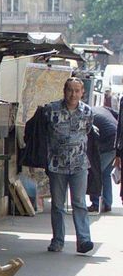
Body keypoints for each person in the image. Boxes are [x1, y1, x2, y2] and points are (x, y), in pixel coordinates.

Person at [41, 77, 96, 254]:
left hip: (79, 165)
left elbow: (87, 132)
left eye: (77, 91)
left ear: (82, 93)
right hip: (57, 165)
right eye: (70, 90)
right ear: (64, 91)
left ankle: (84, 240)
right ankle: (57, 241)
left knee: (79, 203)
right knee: (58, 205)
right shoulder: (51, 110)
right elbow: (43, 133)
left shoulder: (87, 112)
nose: (73, 94)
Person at [91, 98, 119, 212]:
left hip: (109, 144)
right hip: (117, 144)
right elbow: (118, 116)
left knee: (95, 172)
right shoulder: (103, 109)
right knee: (105, 174)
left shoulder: (87, 114)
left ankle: (95, 203)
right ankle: (107, 203)